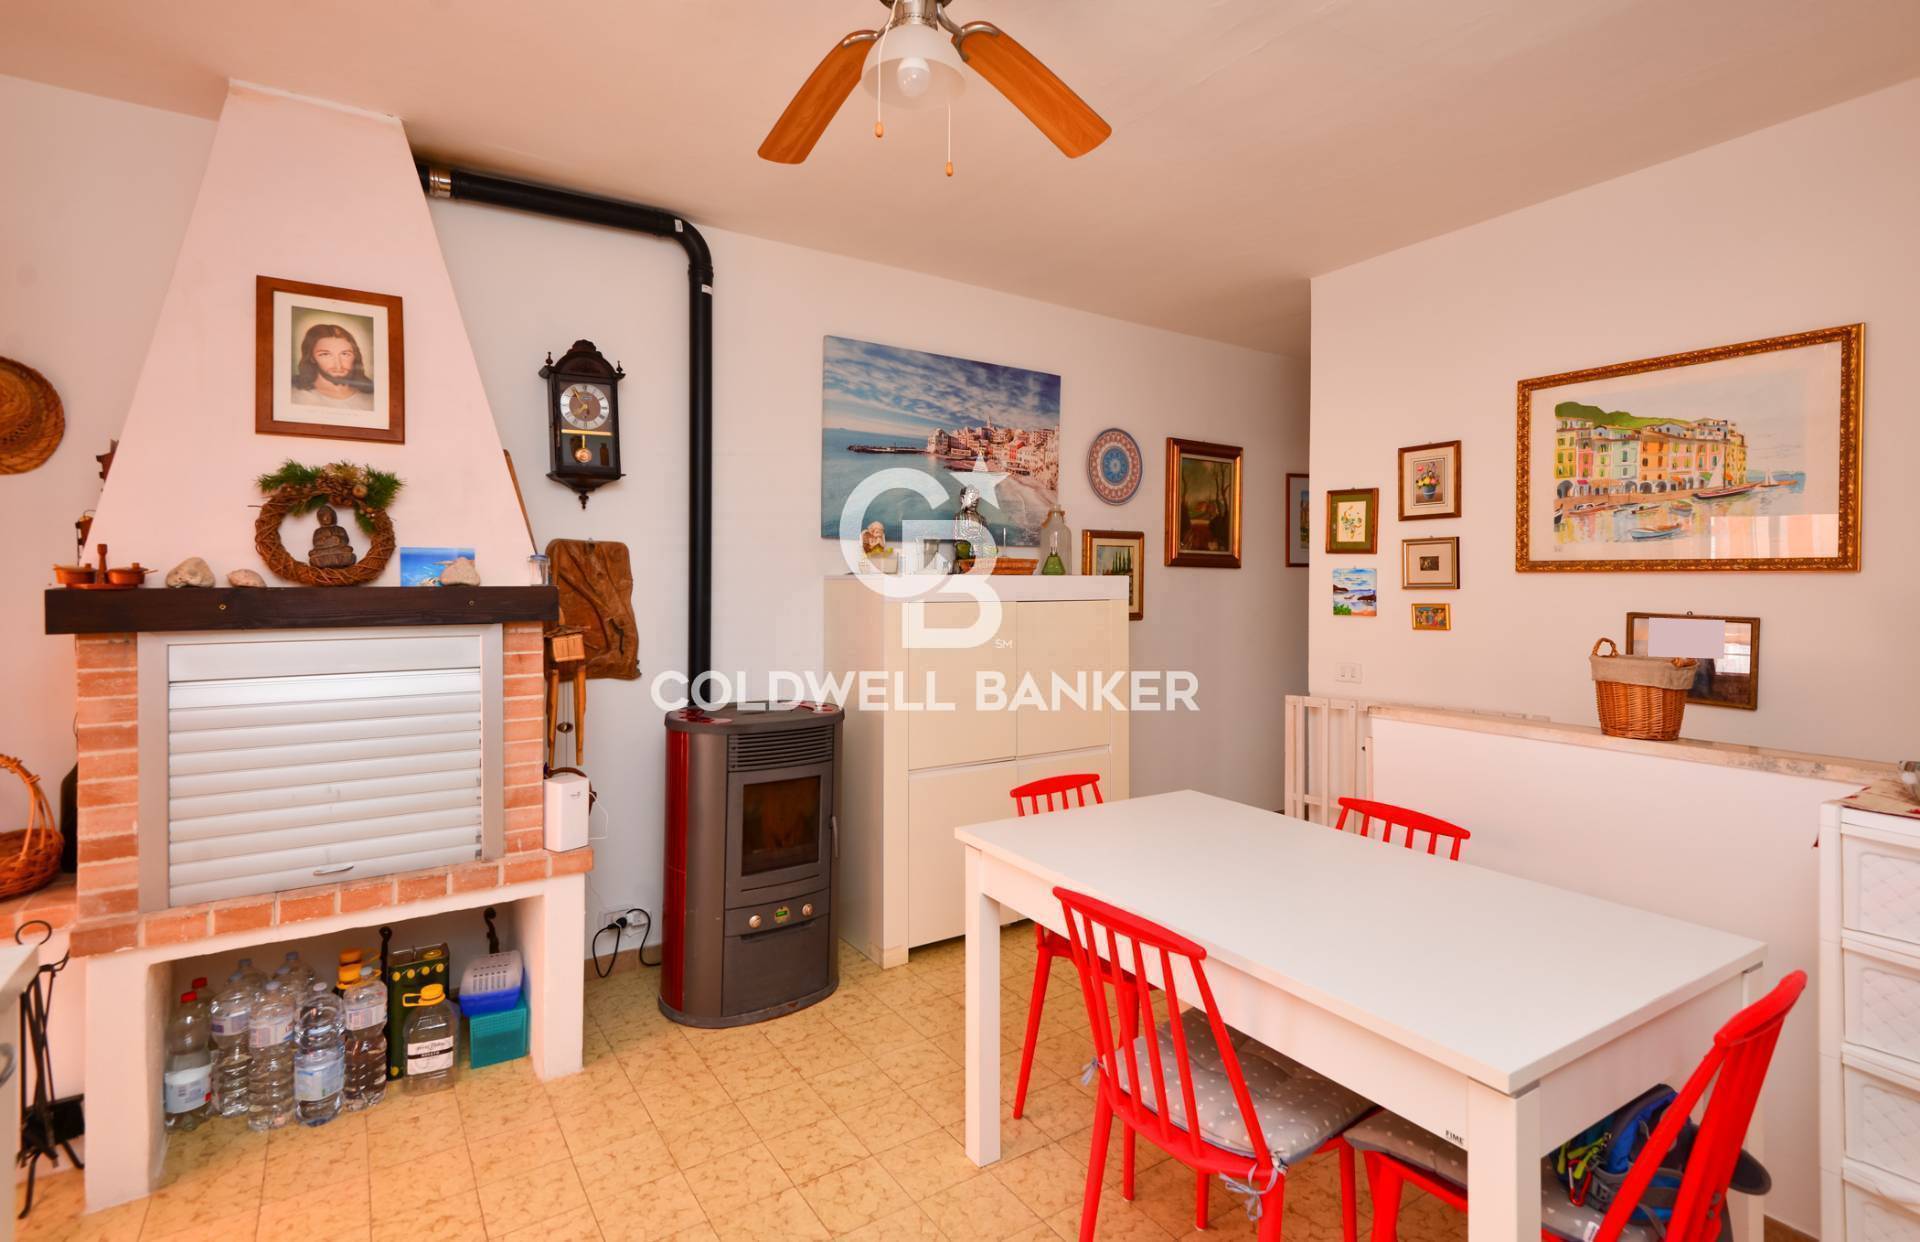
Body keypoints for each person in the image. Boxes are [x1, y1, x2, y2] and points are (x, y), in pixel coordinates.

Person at [290, 322, 374, 411]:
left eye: (345, 354)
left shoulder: (373, 398)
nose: (338, 365)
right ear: (312, 358)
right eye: (325, 354)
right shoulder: (294, 396)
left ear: (355, 356)